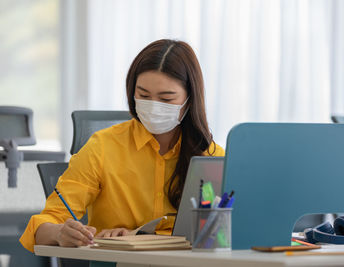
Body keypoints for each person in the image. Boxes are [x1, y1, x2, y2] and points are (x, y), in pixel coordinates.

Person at [20, 39, 224, 252]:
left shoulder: (210, 156)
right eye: (143, 96)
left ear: (190, 99)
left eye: (166, 98)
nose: (153, 106)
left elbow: (224, 232)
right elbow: (43, 225)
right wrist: (60, 233)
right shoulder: (102, 147)